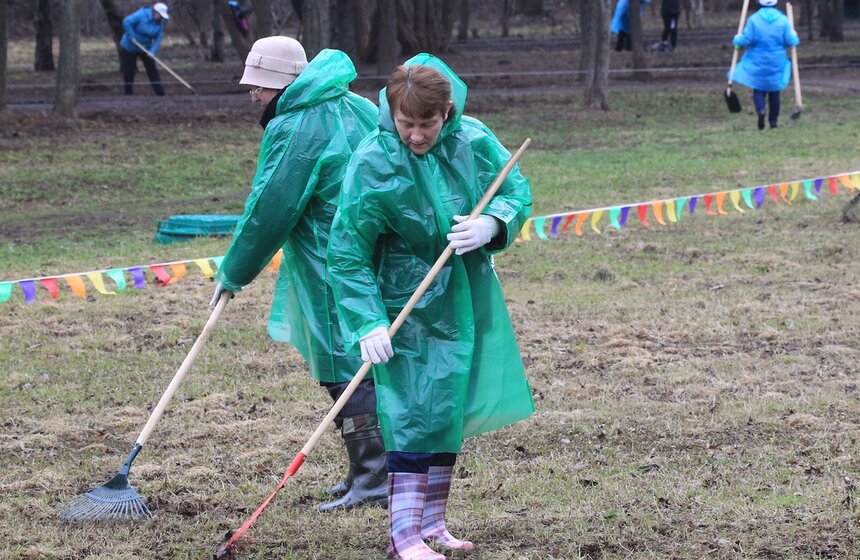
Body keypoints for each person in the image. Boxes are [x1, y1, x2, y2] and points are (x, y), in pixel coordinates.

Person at [326, 54, 535, 560]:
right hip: (404, 301)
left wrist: (494, 224)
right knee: (411, 411)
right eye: (406, 124)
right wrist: (368, 320)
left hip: (463, 294)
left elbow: (515, 192)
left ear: (448, 113)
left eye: (427, 123)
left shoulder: (474, 141)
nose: (416, 135)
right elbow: (347, 249)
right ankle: (404, 538)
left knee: (446, 408)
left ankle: (432, 523)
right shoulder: (375, 160)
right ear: (390, 114)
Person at [210, 36, 386, 512]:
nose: (254, 96)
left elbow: (270, 208)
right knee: (361, 355)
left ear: (285, 84)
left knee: (343, 360)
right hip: (371, 253)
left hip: (331, 258)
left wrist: (233, 271)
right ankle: (365, 469)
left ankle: (375, 474)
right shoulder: (353, 103)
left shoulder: (294, 125)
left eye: (260, 87)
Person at [730, 0, 800, 129]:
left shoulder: (753, 20)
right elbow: (790, 41)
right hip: (776, 60)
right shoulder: (783, 20)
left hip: (758, 60)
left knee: (759, 89)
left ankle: (761, 110)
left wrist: (737, 39)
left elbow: (746, 40)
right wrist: (794, 36)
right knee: (775, 91)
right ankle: (773, 122)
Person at [119, 3, 170, 96]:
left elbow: (158, 38)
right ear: (155, 12)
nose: (161, 18)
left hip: (145, 48)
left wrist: (152, 51)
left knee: (152, 70)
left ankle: (160, 93)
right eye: (160, 15)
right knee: (129, 70)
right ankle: (128, 94)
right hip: (129, 46)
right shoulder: (142, 14)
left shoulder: (160, 24)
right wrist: (131, 36)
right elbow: (126, 21)